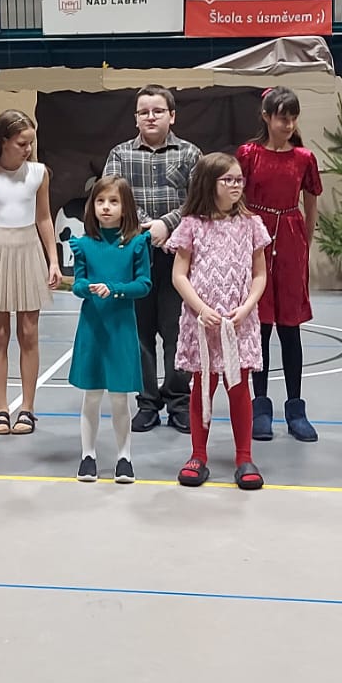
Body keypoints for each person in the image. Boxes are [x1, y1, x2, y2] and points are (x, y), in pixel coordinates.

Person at [167, 152, 270, 491]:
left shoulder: (251, 225)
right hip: (203, 323)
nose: (236, 185)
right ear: (209, 183)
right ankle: (198, 455)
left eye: (240, 179)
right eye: (229, 180)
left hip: (238, 323)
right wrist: (200, 308)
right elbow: (179, 275)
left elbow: (259, 275)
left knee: (239, 387)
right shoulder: (191, 225)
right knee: (202, 387)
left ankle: (244, 457)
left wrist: (247, 307)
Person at [103, 86, 199, 435]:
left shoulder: (190, 153)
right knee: (140, 333)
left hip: (178, 259)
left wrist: (167, 225)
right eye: (144, 112)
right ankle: (147, 402)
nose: (151, 117)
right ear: (136, 118)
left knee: (177, 331)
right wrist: (148, 227)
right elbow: (112, 197)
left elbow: (198, 199)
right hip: (135, 258)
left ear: (172, 115)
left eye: (158, 111)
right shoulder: (120, 154)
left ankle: (179, 401)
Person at [237, 86, 323, 443]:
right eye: (281, 118)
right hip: (255, 237)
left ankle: (295, 408)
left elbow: (311, 203)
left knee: (290, 328)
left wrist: (305, 241)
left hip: (290, 240)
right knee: (259, 327)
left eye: (292, 118)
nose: (288, 124)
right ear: (266, 117)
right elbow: (237, 197)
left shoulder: (304, 158)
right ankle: (260, 407)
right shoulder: (248, 154)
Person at [0, 109, 59, 435]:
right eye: (22, 143)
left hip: (28, 249)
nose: (28, 149)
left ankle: (27, 408)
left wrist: (53, 260)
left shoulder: (39, 173)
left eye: (30, 143)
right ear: (4, 141)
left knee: (29, 332)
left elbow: (43, 218)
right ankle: (0, 408)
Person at [68, 176, 148, 485]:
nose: (106, 207)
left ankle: (124, 457)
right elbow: (77, 283)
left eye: (113, 202)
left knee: (119, 398)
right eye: (100, 201)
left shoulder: (137, 244)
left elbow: (143, 284)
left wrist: (114, 289)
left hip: (121, 328)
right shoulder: (84, 244)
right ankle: (87, 455)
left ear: (125, 207)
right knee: (91, 396)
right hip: (93, 328)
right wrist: (87, 288)